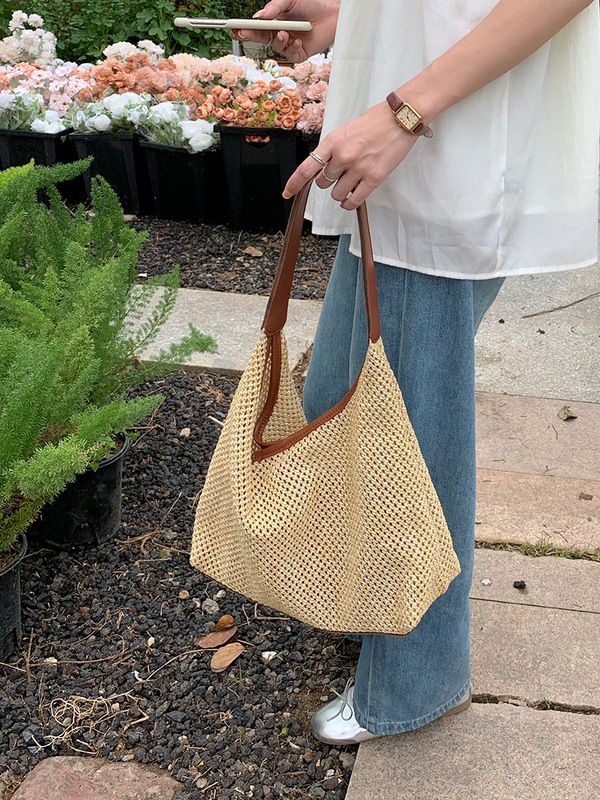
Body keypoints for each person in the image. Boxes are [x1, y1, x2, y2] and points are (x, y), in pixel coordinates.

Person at [231, 0, 599, 745]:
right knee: (341, 395)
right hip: (408, 129)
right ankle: (373, 602)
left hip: (439, 140)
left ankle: (415, 681)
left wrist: (405, 112)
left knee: (405, 441)